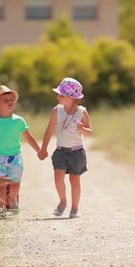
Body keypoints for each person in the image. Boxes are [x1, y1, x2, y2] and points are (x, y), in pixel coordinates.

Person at [38, 77, 93, 218]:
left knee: (74, 180)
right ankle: (63, 201)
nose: (58, 97)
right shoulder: (57, 111)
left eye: (61, 95)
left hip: (77, 152)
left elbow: (90, 133)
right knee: (58, 177)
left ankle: (75, 208)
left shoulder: (82, 112)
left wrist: (82, 129)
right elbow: (49, 130)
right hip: (61, 151)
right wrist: (43, 148)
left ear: (72, 98)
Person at [0, 85, 41, 218]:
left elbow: (29, 137)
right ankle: (2, 210)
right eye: (5, 100)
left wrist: (39, 150)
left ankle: (12, 199)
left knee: (15, 183)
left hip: (15, 157)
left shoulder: (18, 121)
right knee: (1, 185)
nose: (10, 102)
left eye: (11, 99)